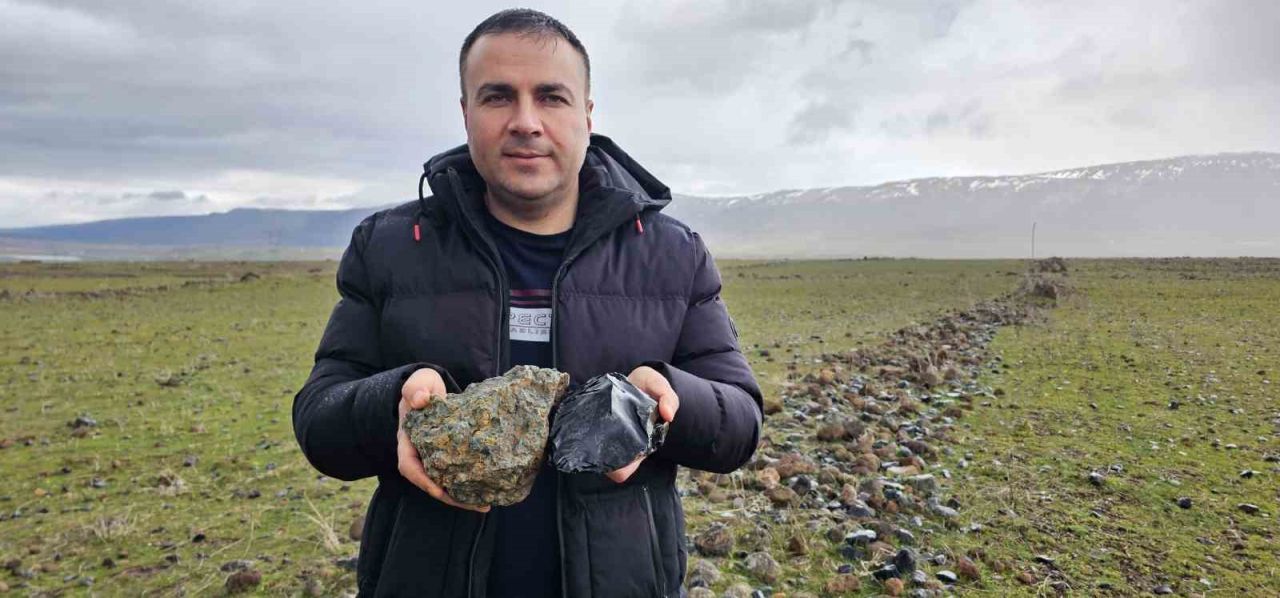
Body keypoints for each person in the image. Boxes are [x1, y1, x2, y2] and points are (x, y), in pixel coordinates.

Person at [292, 8, 762, 597]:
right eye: (496, 97)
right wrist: (393, 407)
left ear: (587, 113)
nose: (525, 122)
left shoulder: (670, 255)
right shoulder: (390, 248)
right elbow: (319, 418)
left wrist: (669, 402)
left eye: (551, 97)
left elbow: (740, 422)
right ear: (466, 113)